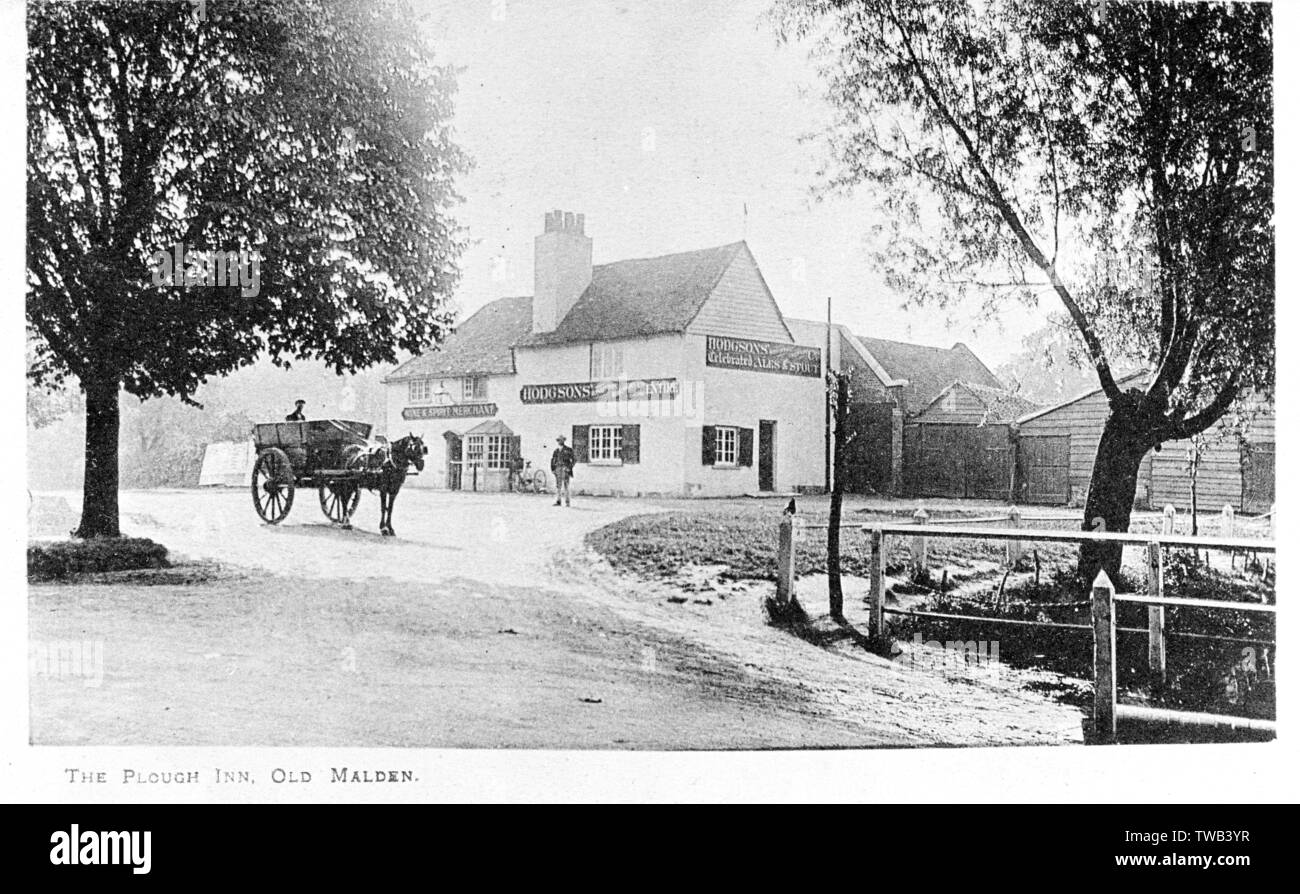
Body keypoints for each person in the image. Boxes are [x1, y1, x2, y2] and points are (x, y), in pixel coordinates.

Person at [550, 434, 575, 507]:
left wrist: (569, 468)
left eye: (561, 440)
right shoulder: (556, 451)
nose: (559, 441)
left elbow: (574, 460)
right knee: (558, 486)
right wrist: (553, 469)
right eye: (558, 440)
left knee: (566, 485)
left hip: (565, 469)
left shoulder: (568, 450)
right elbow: (552, 460)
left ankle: (567, 502)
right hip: (558, 468)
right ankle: (558, 501)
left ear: (564, 440)